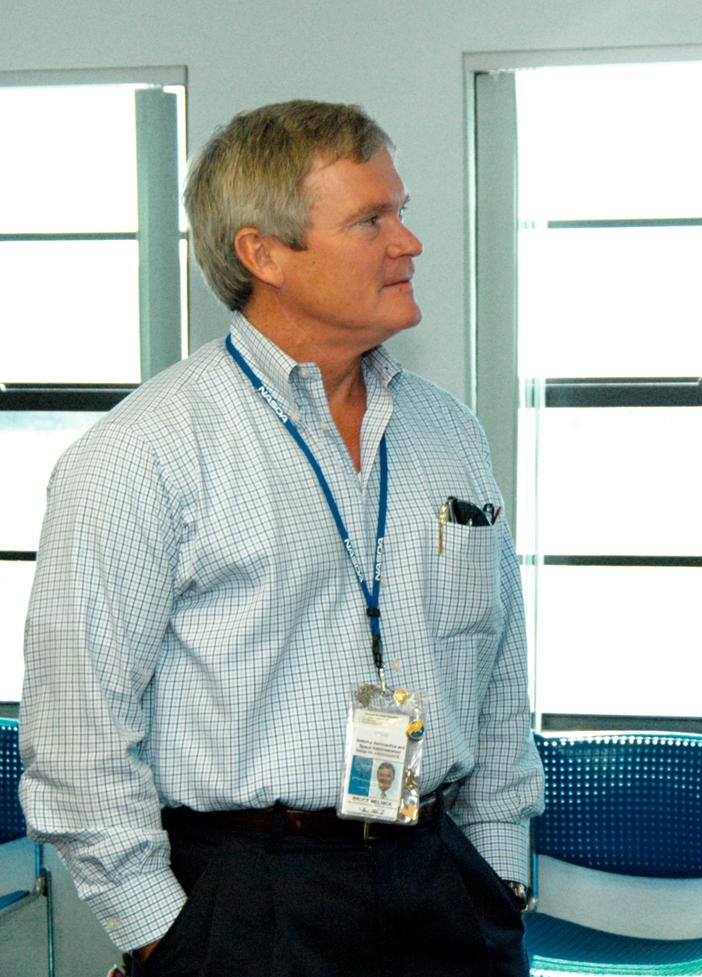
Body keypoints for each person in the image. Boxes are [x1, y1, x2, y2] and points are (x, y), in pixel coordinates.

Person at [19, 100, 543, 977]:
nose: (408, 242)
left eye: (400, 210)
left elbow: (499, 678)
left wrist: (498, 878)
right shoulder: (141, 451)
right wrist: (170, 942)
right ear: (263, 255)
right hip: (251, 896)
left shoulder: (449, 433)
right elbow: (78, 736)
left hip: (442, 879)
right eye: (371, 219)